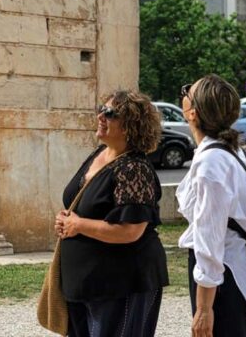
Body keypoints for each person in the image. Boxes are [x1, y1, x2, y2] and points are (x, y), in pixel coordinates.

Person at [54, 90, 169, 337]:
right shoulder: (99, 154)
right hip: (84, 284)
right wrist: (66, 221)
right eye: (101, 109)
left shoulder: (134, 168)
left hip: (121, 284)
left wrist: (78, 225)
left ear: (130, 125)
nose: (100, 116)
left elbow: (130, 231)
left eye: (109, 113)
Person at [176, 74, 246, 337]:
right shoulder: (235, 152)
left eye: (187, 91)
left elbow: (209, 239)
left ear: (193, 113)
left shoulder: (211, 163)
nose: (182, 94)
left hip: (226, 280)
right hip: (241, 273)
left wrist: (204, 309)